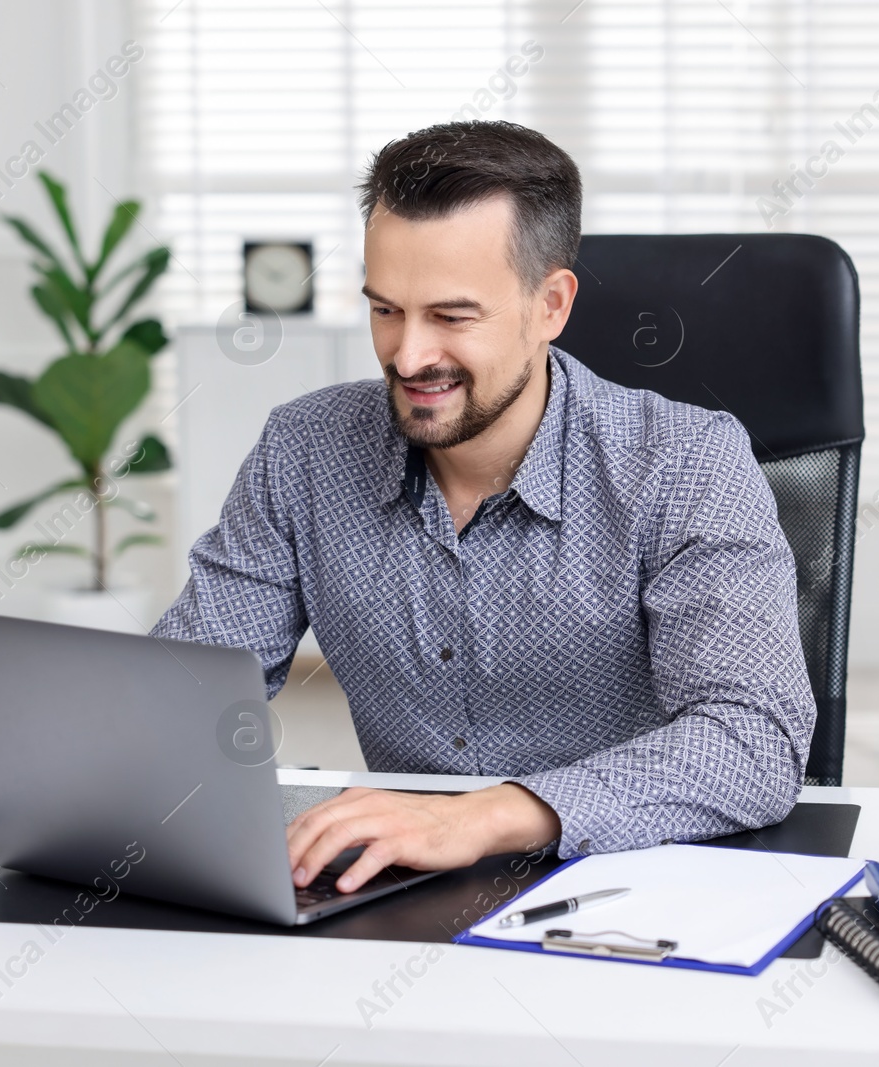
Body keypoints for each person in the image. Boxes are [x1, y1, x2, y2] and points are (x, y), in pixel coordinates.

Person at [151, 120, 815, 895]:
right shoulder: (305, 450)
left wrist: (479, 817)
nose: (408, 355)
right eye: (386, 310)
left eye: (452, 317)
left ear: (551, 306)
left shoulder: (685, 462)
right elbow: (189, 687)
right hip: (395, 890)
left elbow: (751, 740)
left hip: (633, 887)